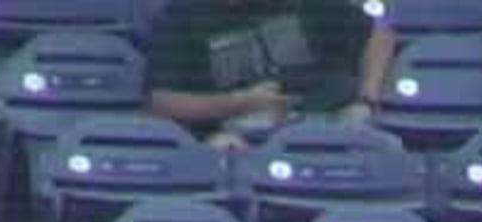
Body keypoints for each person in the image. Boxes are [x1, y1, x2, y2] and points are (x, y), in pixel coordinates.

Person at [146, 0, 383, 145]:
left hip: (325, 123)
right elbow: (162, 103)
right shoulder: (182, 16)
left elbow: (378, 35)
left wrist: (366, 98)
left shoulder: (307, 3)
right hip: (236, 137)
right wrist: (240, 103)